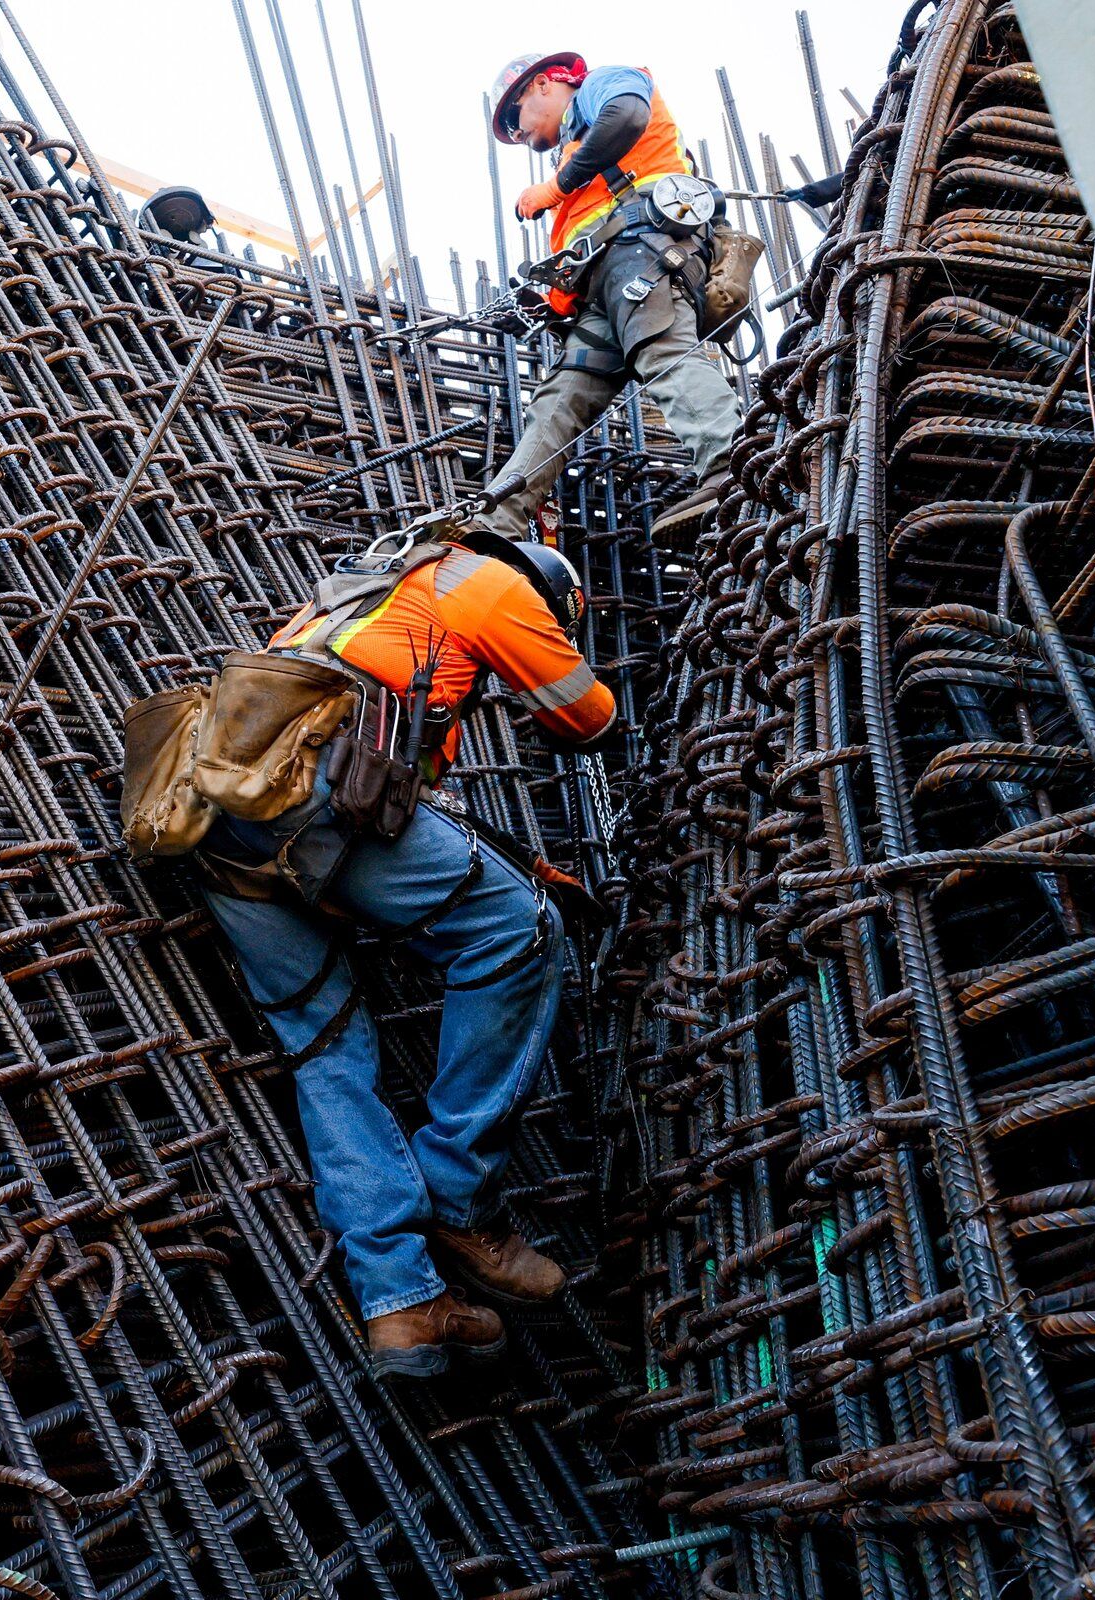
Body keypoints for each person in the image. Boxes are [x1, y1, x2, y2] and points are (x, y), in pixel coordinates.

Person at [194, 536, 615, 1376]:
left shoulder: (356, 599)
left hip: (220, 819)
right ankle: (460, 1198)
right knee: (519, 928)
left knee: (326, 1046)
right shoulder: (489, 582)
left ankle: (402, 1302)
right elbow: (585, 715)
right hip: (320, 792)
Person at [479, 52, 744, 545]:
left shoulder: (603, 86)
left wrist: (555, 188)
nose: (518, 137)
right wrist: (548, 302)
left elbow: (628, 116)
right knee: (561, 399)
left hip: (643, 249)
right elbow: (588, 232)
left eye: (513, 121)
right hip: (604, 282)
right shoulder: (576, 153)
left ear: (543, 84)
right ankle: (498, 521)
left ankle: (732, 465)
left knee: (661, 348)